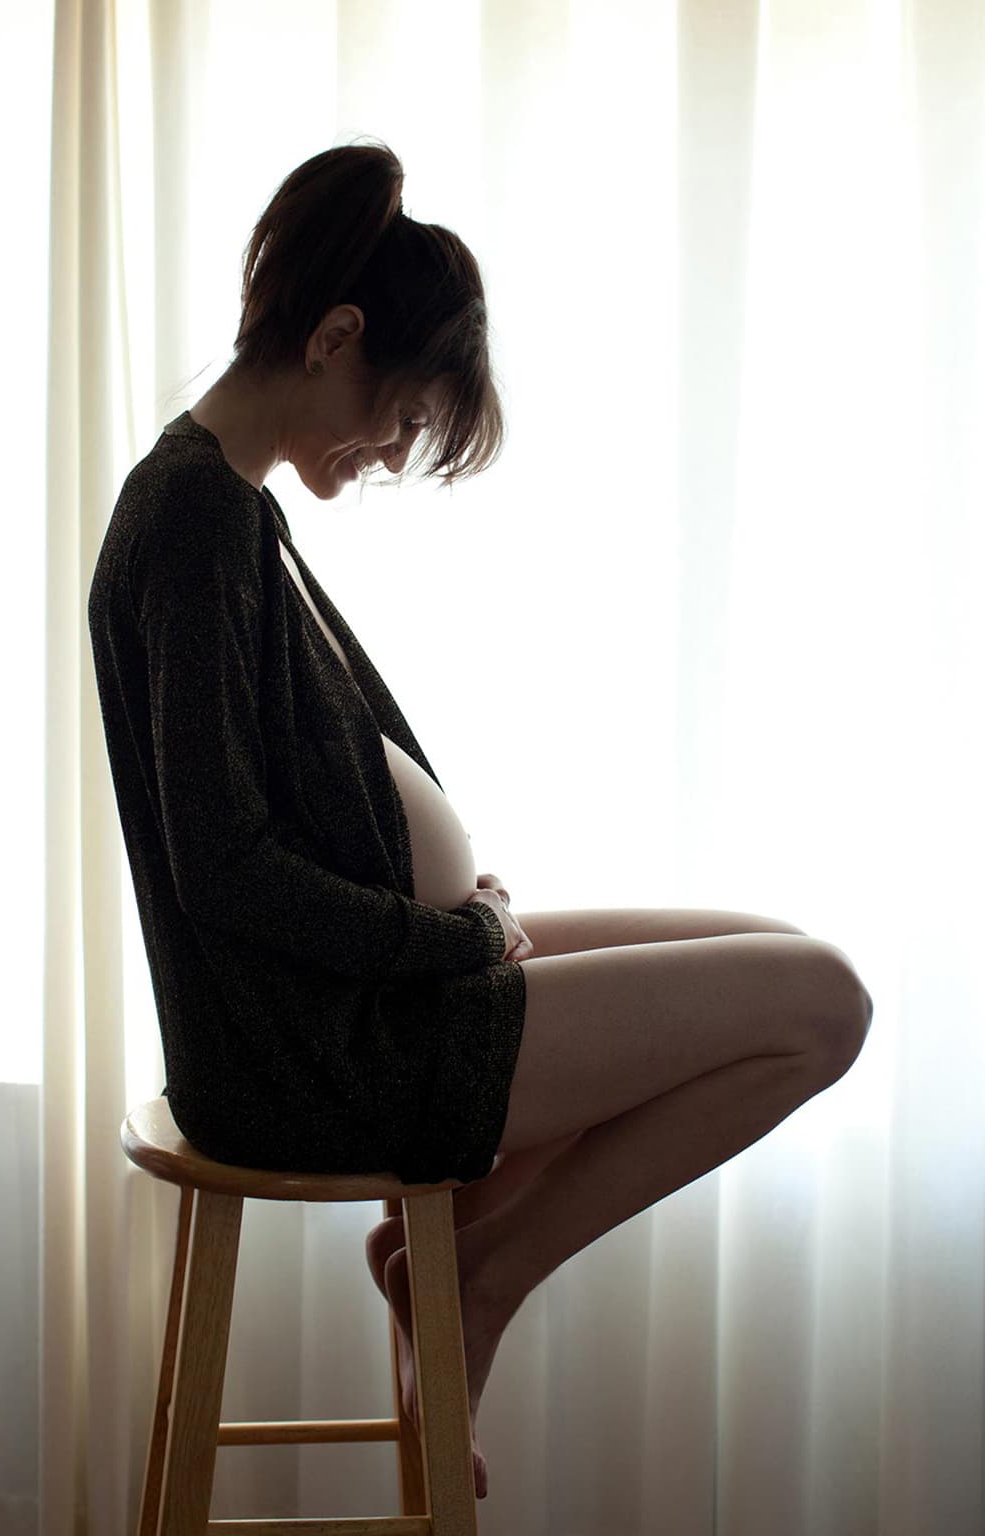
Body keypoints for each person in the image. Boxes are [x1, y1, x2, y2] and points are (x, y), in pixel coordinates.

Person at [88, 140, 874, 1500]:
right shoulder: (200, 524)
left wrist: (452, 901)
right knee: (823, 1002)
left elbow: (287, 812)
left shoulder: (226, 505)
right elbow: (228, 875)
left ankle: (466, 1255)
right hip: (319, 1053)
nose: (392, 453)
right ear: (337, 338)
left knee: (771, 942)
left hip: (348, 1006)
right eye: (400, 419)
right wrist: (453, 942)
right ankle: (484, 1273)